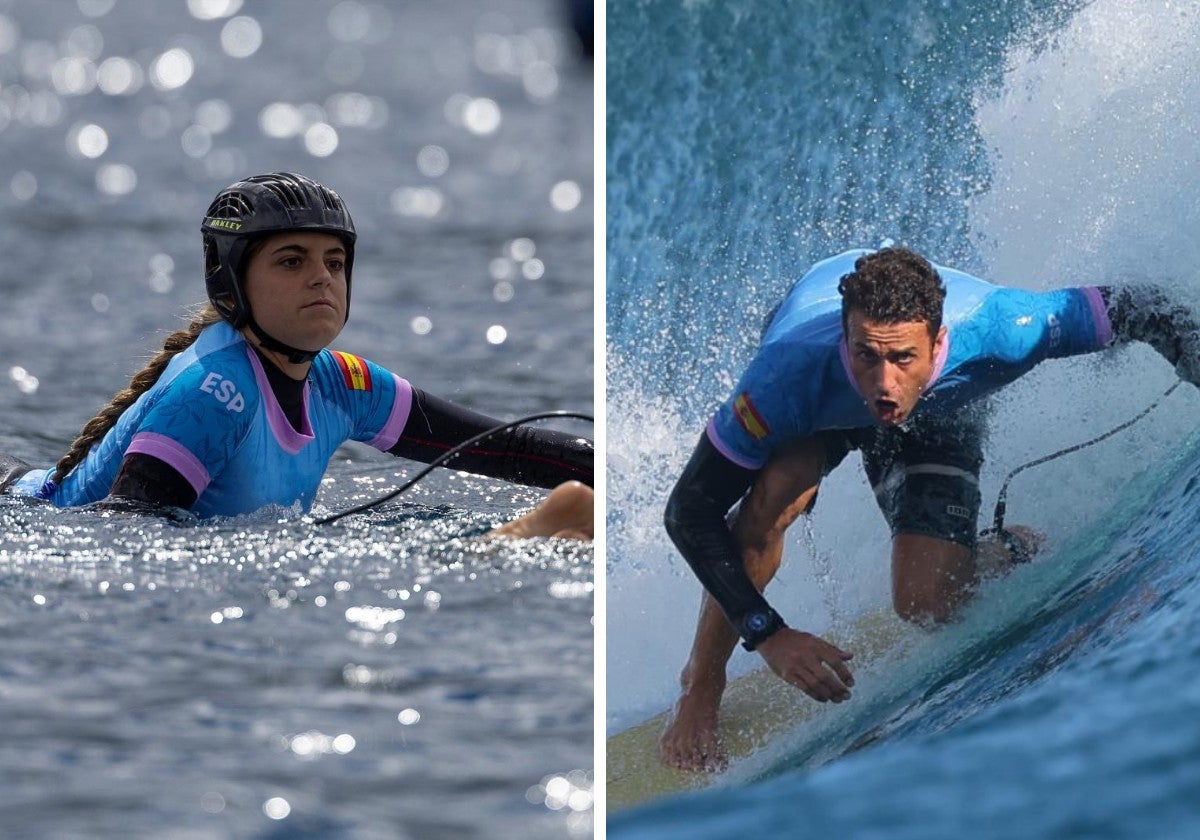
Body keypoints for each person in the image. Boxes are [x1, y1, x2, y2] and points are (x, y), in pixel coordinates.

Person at [660, 245, 1200, 771]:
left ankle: (1004, 548)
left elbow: (1139, 307)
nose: (884, 382)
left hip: (943, 405)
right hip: (822, 406)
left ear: (938, 341)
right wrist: (768, 633)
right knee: (779, 489)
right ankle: (702, 682)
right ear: (846, 340)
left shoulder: (1004, 328)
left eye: (902, 358)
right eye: (867, 356)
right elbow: (690, 510)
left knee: (928, 605)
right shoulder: (786, 376)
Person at [0, 172, 593, 537]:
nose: (322, 280)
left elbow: (503, 448)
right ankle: (526, 536)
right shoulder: (213, 390)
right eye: (292, 261)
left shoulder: (345, 382)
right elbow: (121, 542)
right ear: (230, 281)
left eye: (334, 263)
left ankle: (538, 531)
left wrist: (620, 475)